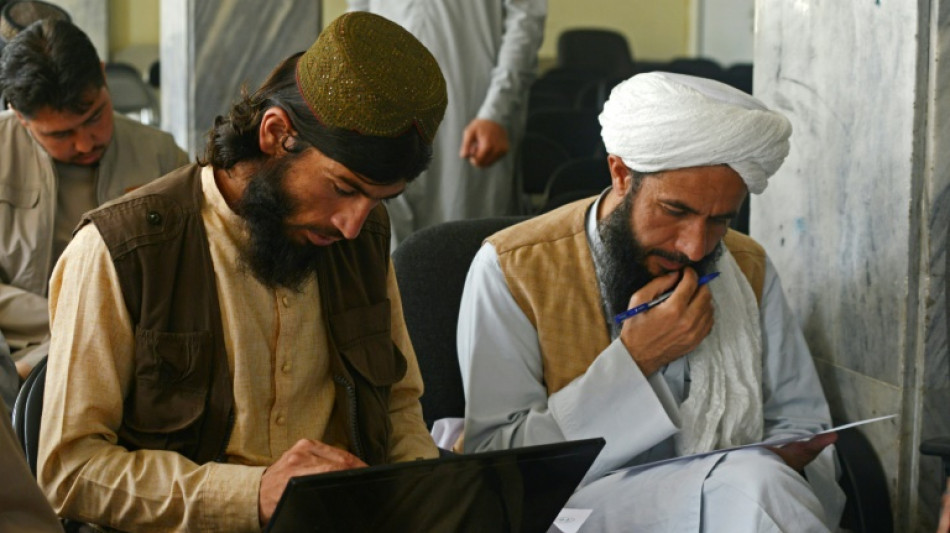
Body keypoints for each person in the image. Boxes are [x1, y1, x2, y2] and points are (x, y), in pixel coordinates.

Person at [37, 12, 446, 531]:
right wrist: (250, 495)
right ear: (277, 134)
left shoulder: (361, 235)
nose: (352, 224)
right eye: (344, 188)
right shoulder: (121, 251)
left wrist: (420, 499)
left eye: (379, 199)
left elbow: (399, 408)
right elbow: (70, 470)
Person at [456, 71, 846, 531]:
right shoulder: (514, 267)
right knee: (756, 487)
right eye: (675, 211)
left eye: (719, 220)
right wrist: (637, 360)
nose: (695, 247)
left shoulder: (747, 265)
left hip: (731, 501)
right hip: (574, 514)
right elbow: (499, 466)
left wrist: (790, 455)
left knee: (759, 482)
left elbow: (801, 424)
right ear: (620, 174)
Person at [0, 18, 188, 381]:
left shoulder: (160, 157)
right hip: (13, 352)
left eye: (95, 117)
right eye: (61, 134)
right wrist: (68, 321)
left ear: (103, 76)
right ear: (20, 117)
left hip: (130, 353)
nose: (85, 144)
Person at [347, 0, 546, 247]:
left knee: (465, 245)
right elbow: (358, 17)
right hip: (385, 109)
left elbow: (524, 20)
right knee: (388, 249)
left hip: (470, 111)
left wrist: (496, 112)